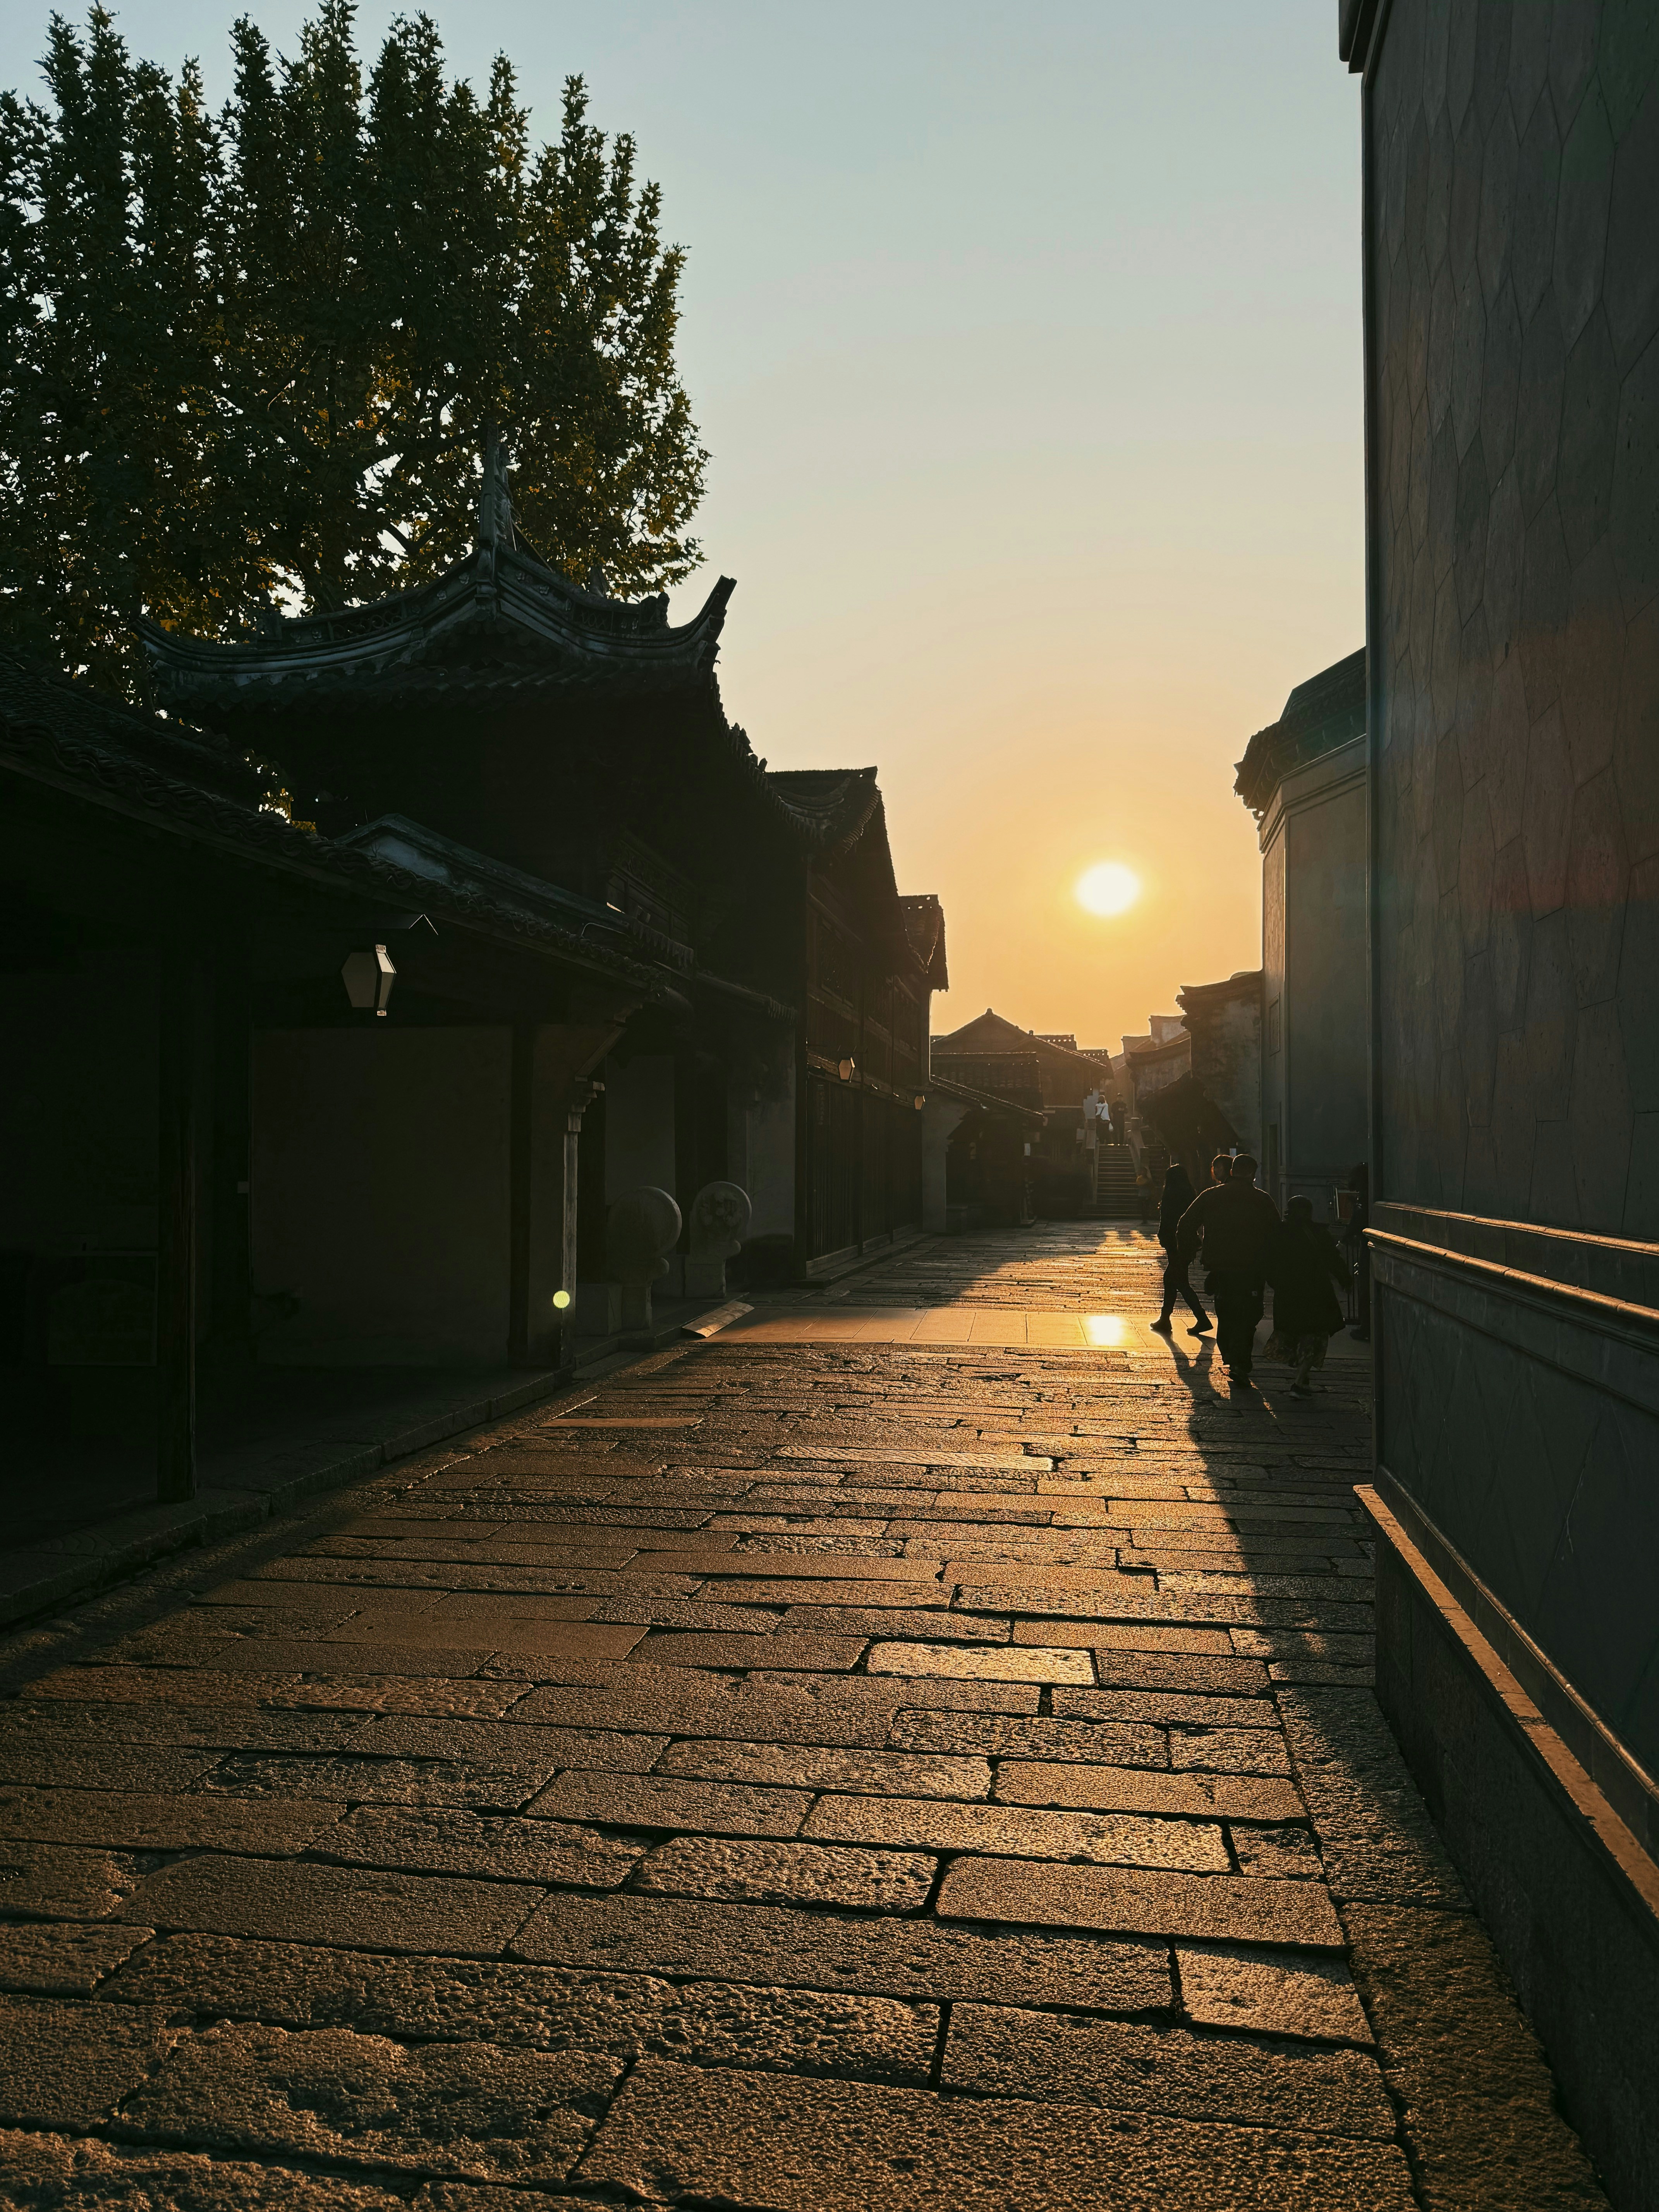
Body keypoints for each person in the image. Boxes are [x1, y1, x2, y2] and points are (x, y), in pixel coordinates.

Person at [1175, 1154, 1282, 1392]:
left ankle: (1232, 1360)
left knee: (1226, 1313)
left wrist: (1191, 1250)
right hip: (1253, 1269)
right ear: (1253, 1174)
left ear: (1232, 1171)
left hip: (1221, 1267)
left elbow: (1185, 1223)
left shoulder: (1212, 1196)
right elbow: (1277, 1235)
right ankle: (1241, 1363)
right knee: (1249, 1315)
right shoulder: (1262, 1200)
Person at [1267, 1195, 1349, 1394]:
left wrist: (1275, 1284)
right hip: (1316, 1293)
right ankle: (1300, 1381)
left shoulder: (1278, 1232)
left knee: (1296, 1334)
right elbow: (1332, 1259)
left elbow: (1268, 1261)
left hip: (1288, 1294)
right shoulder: (1318, 1233)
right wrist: (1346, 1279)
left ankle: (1303, 1380)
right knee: (1315, 1336)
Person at [1151, 1163, 1211, 1335]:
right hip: (1187, 1243)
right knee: (1171, 1278)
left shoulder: (1170, 1194)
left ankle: (1202, 1319)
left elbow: (1167, 1221)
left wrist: (1163, 1237)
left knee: (1179, 1281)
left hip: (1174, 1243)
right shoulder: (1190, 1194)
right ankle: (1165, 1319)